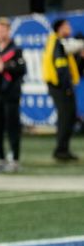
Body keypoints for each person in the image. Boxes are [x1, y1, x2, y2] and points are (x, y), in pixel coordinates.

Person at [0, 17, 26, 172]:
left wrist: (6, 68)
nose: (0, 33)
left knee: (12, 127)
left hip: (11, 95)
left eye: (3, 30)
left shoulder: (16, 49)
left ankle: (15, 159)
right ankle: (0, 158)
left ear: (8, 31)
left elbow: (22, 70)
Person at [42, 19, 84, 161]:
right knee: (66, 117)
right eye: (67, 26)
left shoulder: (58, 42)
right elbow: (61, 69)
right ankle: (61, 150)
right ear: (60, 29)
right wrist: (66, 87)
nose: (69, 28)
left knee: (68, 117)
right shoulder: (57, 43)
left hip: (60, 85)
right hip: (60, 86)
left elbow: (71, 66)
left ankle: (63, 148)